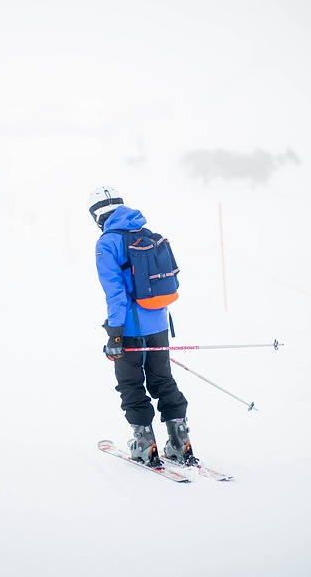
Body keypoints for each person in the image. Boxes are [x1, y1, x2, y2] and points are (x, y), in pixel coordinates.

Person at [88, 185, 197, 467]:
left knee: (131, 384)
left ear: (97, 215)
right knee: (163, 380)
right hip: (159, 322)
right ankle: (179, 442)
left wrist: (115, 334)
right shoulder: (146, 234)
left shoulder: (107, 243)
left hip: (129, 329)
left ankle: (144, 444)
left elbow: (115, 293)